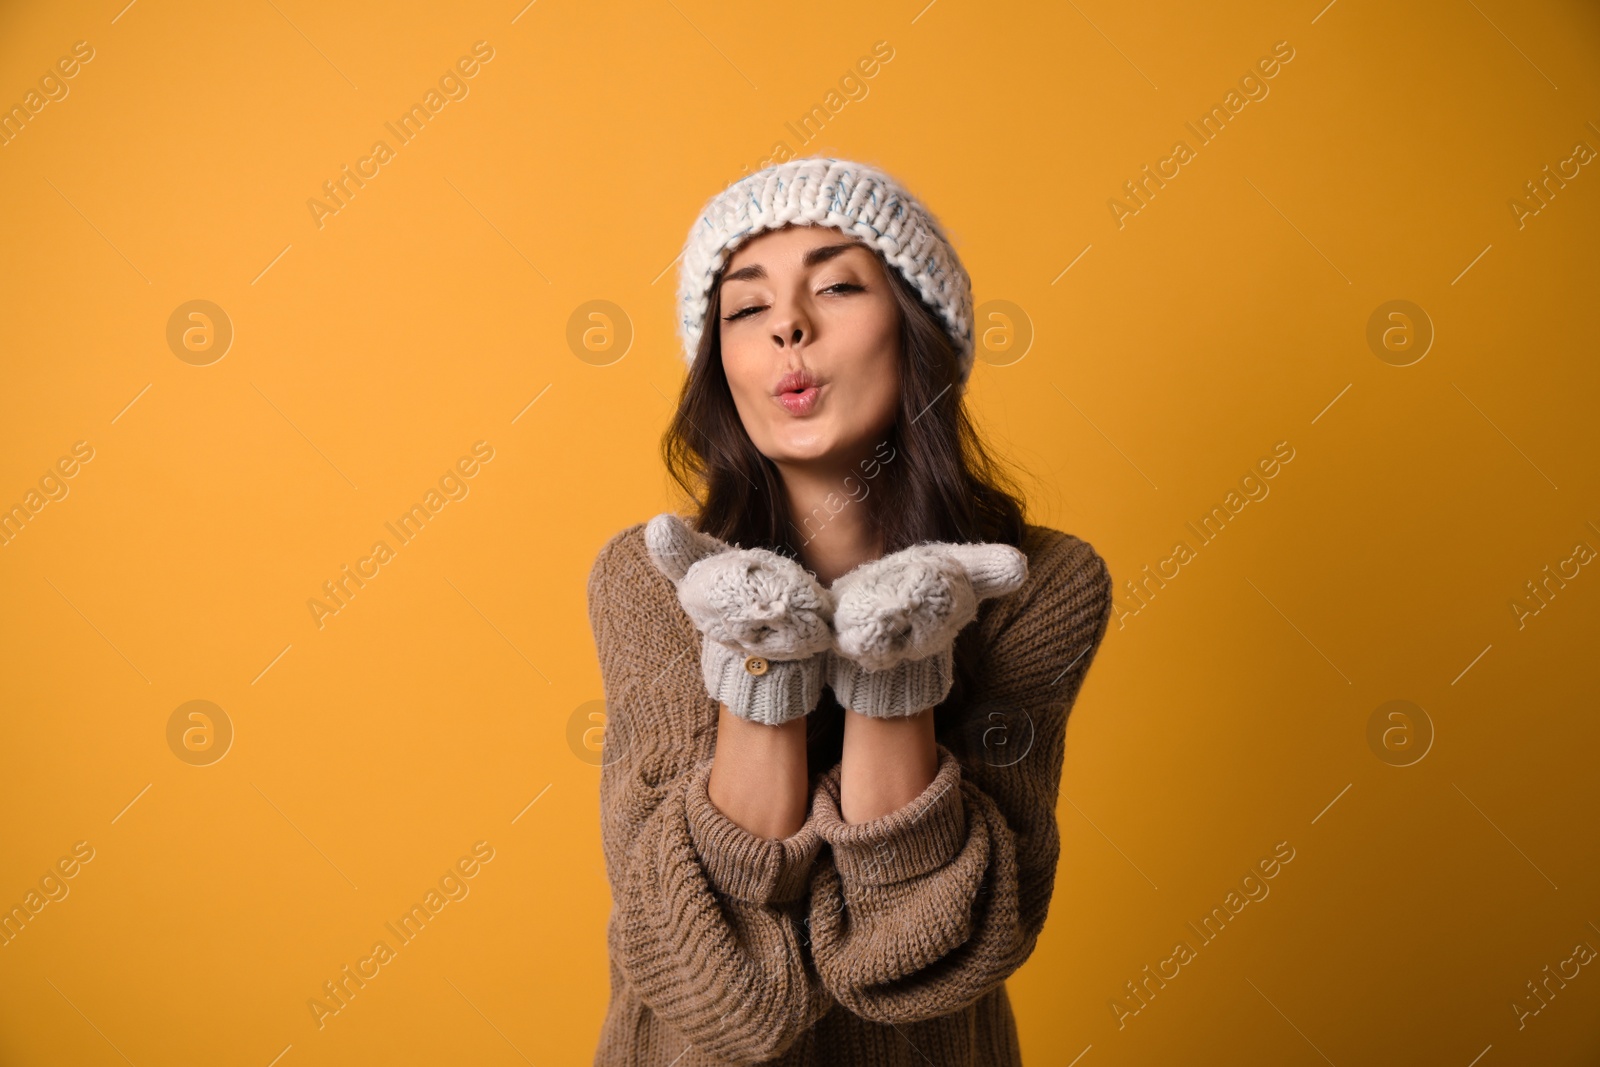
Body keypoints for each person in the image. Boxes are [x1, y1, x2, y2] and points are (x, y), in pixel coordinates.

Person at [587, 156, 1113, 1065]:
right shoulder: (651, 582)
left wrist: (898, 661)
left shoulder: (1040, 584)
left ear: (918, 331)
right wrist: (764, 654)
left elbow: (915, 958)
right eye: (746, 309)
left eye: (835, 284)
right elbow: (712, 987)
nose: (788, 324)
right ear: (724, 368)